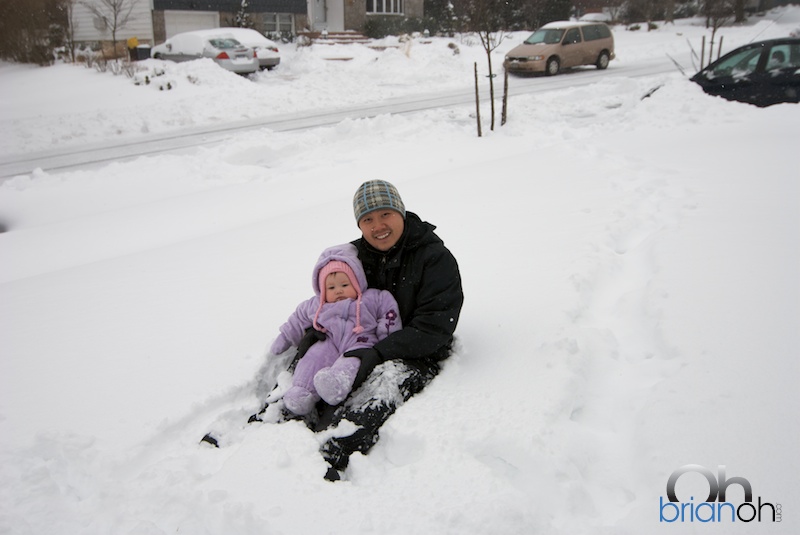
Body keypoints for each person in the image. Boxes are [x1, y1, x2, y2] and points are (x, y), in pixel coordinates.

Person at [305, 179, 464, 481]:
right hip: (355, 339)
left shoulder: (435, 258)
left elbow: (435, 327)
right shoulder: (354, 256)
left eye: (385, 214)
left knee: (384, 383)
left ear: (400, 213)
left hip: (414, 351)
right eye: (367, 219)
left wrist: (379, 352)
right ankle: (276, 415)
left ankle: (338, 447)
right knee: (314, 355)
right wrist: (318, 324)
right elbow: (331, 293)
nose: (378, 226)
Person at [269, 243, 402, 415]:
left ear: (357, 282)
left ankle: (335, 384)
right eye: (331, 288)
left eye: (345, 285)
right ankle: (302, 392)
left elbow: (389, 312)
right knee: (313, 357)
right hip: (329, 341)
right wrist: (285, 337)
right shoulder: (317, 304)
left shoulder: (372, 298)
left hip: (359, 342)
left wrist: (386, 337)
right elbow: (297, 319)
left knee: (352, 362)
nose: (338, 291)